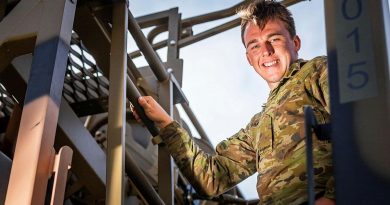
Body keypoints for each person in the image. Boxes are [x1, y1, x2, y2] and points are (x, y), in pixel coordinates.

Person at [133, 0, 334, 204]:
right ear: (249, 58)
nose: (266, 51)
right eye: (254, 45)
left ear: (296, 43)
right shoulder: (258, 127)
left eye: (274, 39)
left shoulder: (317, 72)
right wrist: (165, 124)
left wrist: (333, 197)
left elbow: (363, 118)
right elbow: (210, 179)